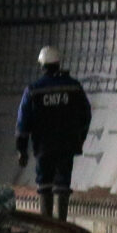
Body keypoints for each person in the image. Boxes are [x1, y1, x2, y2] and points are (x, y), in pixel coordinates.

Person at [15, 46, 92, 219]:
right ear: (58, 64)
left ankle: (47, 224)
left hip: (43, 146)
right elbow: (86, 114)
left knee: (44, 183)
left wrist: (21, 149)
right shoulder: (74, 87)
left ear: (42, 66)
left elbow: (23, 122)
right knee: (63, 183)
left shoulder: (33, 90)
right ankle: (62, 223)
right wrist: (80, 138)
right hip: (67, 144)